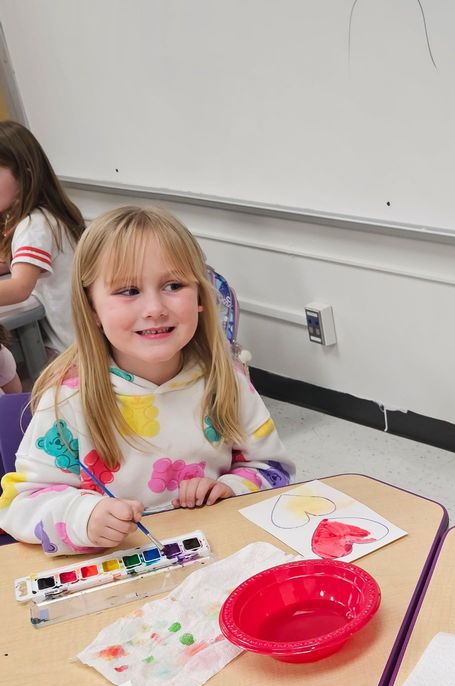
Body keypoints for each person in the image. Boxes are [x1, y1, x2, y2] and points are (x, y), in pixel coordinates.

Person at [0, 205, 293, 554]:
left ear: (199, 296)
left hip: (214, 552)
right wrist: (82, 517)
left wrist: (231, 486)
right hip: (116, 568)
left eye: (173, 285)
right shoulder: (67, 399)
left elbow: (272, 468)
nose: (154, 308)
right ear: (92, 307)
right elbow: (19, 504)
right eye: (128, 291)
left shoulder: (227, 377)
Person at [0, 120, 85, 358]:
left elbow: (19, 288)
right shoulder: (44, 215)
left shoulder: (34, 224)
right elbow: (18, 263)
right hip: (73, 338)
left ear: (25, 175)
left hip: (69, 348)